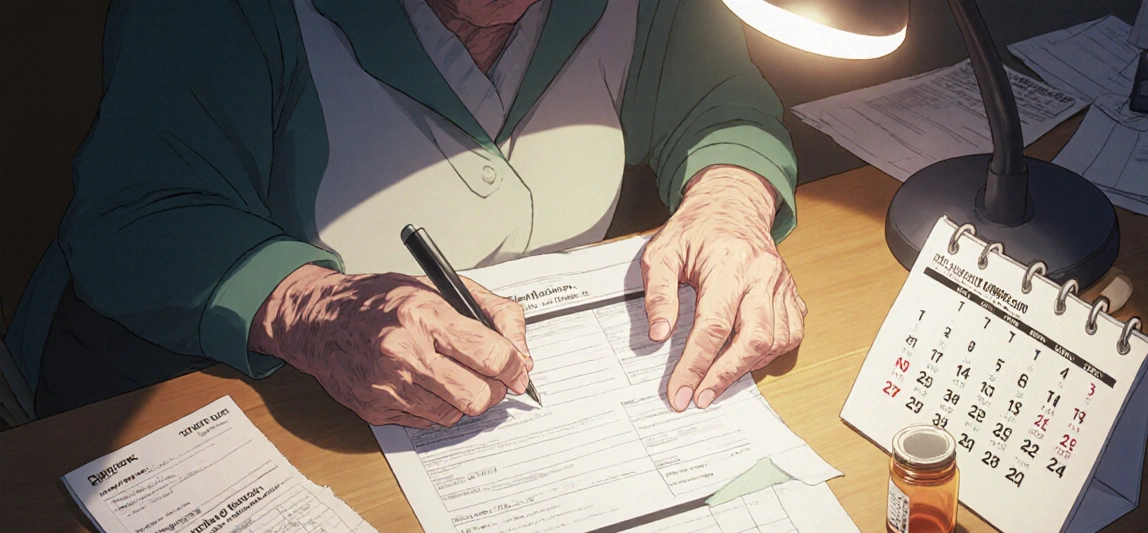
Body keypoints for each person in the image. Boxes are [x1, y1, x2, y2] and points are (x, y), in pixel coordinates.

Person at [7, 0, 808, 428]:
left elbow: (719, 108)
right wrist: (306, 306)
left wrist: (731, 202)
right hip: (172, 400)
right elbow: (141, 216)